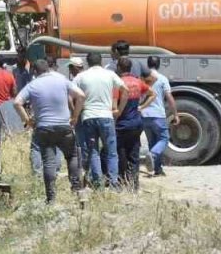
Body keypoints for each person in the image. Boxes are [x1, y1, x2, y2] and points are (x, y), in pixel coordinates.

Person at [12, 58, 85, 203]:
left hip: (43, 128)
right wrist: (75, 116)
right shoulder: (61, 80)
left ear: (35, 71)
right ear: (48, 68)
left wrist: (28, 121)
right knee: (72, 156)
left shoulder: (32, 85)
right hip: (64, 126)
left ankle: (51, 198)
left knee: (48, 162)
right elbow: (81, 95)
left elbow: (17, 102)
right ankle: (77, 189)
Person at [73, 51, 126, 189]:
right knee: (111, 152)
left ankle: (97, 183)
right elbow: (125, 90)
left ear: (87, 62)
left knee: (93, 151)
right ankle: (113, 182)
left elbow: (72, 94)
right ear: (101, 61)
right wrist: (119, 110)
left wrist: (75, 115)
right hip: (106, 116)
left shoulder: (81, 76)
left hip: (88, 117)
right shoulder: (110, 74)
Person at [114, 58, 149, 192]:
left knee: (121, 153)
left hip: (122, 123)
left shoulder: (118, 83)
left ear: (119, 68)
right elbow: (153, 94)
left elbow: (115, 104)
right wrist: (142, 106)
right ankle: (134, 184)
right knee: (134, 154)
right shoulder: (137, 81)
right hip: (136, 122)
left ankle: (122, 182)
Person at [142, 56, 180, 177]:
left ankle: (157, 169)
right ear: (158, 65)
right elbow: (169, 97)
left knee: (152, 142)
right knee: (164, 139)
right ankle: (153, 155)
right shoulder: (162, 79)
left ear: (148, 64)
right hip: (157, 114)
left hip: (144, 114)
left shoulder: (143, 78)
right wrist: (175, 114)